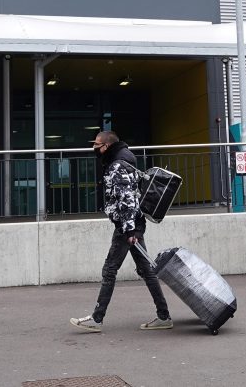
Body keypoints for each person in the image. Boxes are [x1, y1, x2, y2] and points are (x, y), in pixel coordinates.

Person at [70, 131, 172, 332]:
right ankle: (163, 316)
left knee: (109, 270)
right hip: (133, 225)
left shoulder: (117, 166)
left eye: (97, 145)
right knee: (146, 270)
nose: (94, 149)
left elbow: (127, 199)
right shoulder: (126, 161)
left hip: (127, 227)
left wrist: (129, 231)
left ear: (107, 146)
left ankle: (97, 319)